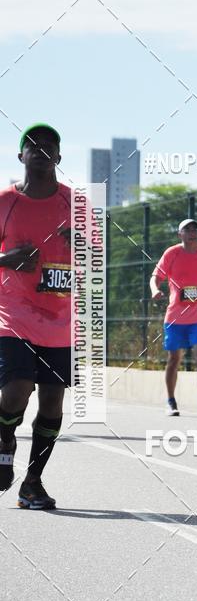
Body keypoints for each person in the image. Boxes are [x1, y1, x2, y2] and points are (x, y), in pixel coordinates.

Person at [0, 124, 72, 509]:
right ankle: (5, 438)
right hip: (13, 314)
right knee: (16, 390)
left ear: (59, 157)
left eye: (50, 146)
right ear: (20, 156)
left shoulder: (76, 206)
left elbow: (96, 262)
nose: (42, 149)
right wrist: (5, 260)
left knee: (52, 404)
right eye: (33, 145)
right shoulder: (5, 202)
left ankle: (32, 483)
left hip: (60, 321)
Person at [150, 218, 197, 417]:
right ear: (180, 234)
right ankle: (171, 401)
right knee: (173, 359)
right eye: (187, 229)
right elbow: (156, 276)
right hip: (176, 316)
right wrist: (155, 290)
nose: (192, 232)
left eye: (195, 229)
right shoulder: (172, 253)